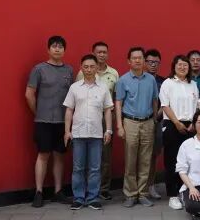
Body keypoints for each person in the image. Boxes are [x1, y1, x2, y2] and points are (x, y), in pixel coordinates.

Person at [25, 35, 74, 207]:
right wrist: (38, 112)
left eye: (60, 46)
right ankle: (38, 192)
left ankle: (58, 191)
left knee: (60, 156)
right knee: (43, 155)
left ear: (64, 50)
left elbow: (72, 95)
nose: (57, 49)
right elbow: (29, 94)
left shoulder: (69, 70)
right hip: (43, 121)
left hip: (62, 122)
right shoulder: (39, 69)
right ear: (48, 49)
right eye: (54, 46)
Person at [63, 54, 114, 210]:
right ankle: (78, 198)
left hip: (96, 134)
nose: (89, 69)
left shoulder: (103, 88)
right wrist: (67, 131)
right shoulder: (74, 88)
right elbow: (69, 110)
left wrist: (108, 130)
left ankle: (93, 198)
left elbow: (108, 110)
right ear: (81, 68)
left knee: (95, 168)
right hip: (78, 133)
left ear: (96, 68)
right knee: (78, 168)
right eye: (86, 67)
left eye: (92, 66)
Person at [115, 47, 159, 207]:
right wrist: (119, 125)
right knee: (131, 159)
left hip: (148, 122)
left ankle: (143, 193)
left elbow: (155, 100)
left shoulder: (151, 80)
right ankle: (130, 194)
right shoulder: (123, 80)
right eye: (134, 58)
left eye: (140, 58)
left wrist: (154, 119)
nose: (138, 60)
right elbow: (118, 103)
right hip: (130, 122)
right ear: (129, 61)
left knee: (146, 160)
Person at [76, 41, 120, 200]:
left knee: (105, 155)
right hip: (87, 117)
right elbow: (77, 94)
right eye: (98, 52)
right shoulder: (82, 72)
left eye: (104, 52)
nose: (102, 54)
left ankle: (103, 188)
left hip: (106, 116)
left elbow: (116, 97)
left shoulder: (113, 73)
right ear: (93, 53)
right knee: (86, 155)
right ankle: (86, 189)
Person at [159, 55, 199, 210]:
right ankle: (173, 195)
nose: (182, 68)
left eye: (185, 65)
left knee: (189, 161)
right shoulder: (168, 83)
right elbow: (165, 105)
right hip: (172, 124)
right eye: (179, 65)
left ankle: (185, 191)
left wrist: (193, 123)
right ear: (174, 67)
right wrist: (176, 122)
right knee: (172, 161)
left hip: (190, 127)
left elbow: (197, 106)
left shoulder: (193, 84)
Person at [145, 49, 166, 200]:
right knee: (140, 155)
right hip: (140, 121)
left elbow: (165, 102)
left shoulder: (163, 82)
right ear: (145, 62)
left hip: (157, 122)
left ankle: (151, 185)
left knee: (153, 155)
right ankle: (138, 187)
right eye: (150, 62)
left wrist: (155, 116)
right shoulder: (140, 79)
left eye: (156, 62)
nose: (153, 65)